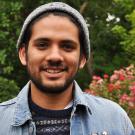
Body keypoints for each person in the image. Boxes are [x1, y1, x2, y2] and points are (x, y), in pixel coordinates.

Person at [0, 2, 134, 135]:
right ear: (23, 54)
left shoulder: (115, 120)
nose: (54, 57)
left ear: (82, 58)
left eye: (67, 46)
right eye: (42, 45)